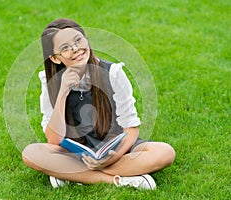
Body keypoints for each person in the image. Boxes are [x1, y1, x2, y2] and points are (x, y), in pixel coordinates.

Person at [22, 18, 175, 190]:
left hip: (116, 149)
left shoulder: (113, 74)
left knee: (164, 153)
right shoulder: (49, 81)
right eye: (65, 48)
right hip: (77, 153)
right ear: (55, 59)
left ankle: (71, 174)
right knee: (31, 153)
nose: (76, 49)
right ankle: (119, 180)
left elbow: (131, 128)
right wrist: (63, 91)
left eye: (78, 40)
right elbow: (53, 139)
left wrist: (112, 158)